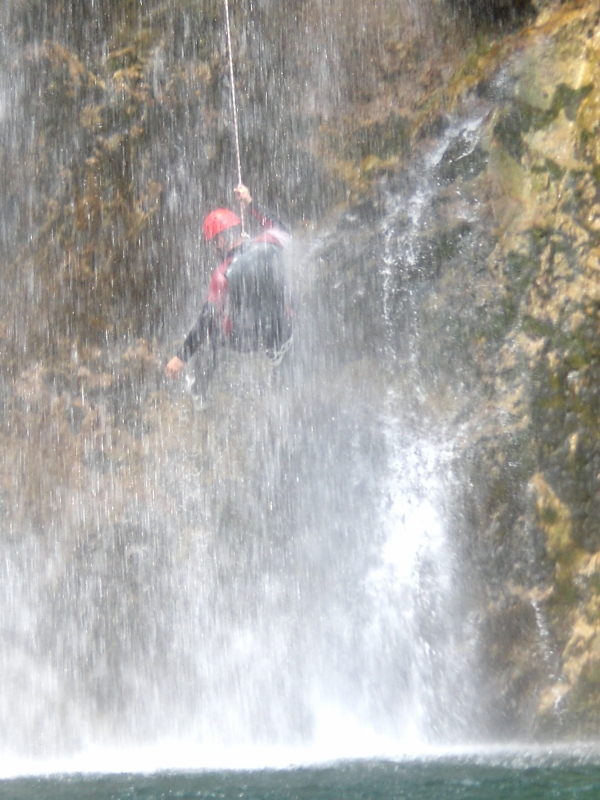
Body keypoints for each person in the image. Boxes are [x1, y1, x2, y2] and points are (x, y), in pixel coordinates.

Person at [165, 184, 293, 399]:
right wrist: (250, 204)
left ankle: (199, 393)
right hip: (283, 326)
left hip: (250, 337)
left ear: (221, 241)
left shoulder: (222, 274)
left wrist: (181, 357)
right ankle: (281, 358)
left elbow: (207, 317)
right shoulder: (270, 241)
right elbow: (280, 227)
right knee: (289, 287)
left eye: (213, 244)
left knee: (213, 332)